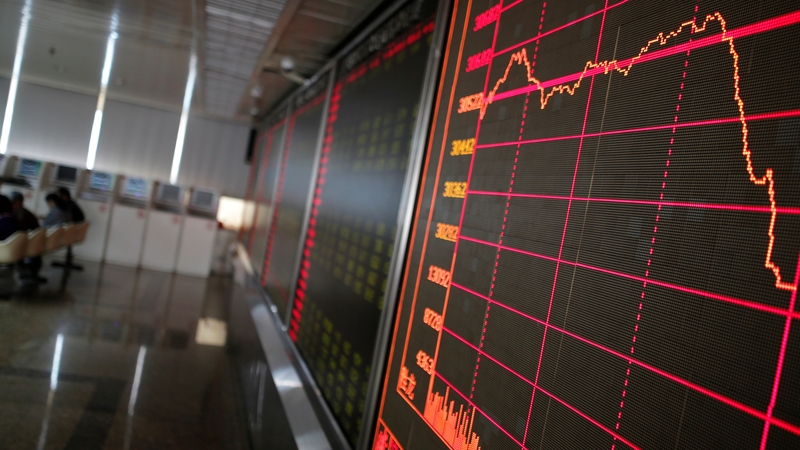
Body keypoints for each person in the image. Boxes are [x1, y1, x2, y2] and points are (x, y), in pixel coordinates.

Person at [11, 192, 45, 283]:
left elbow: (17, 232)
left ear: (17, 202)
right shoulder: (24, 212)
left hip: (29, 245)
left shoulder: (21, 214)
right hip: (35, 244)